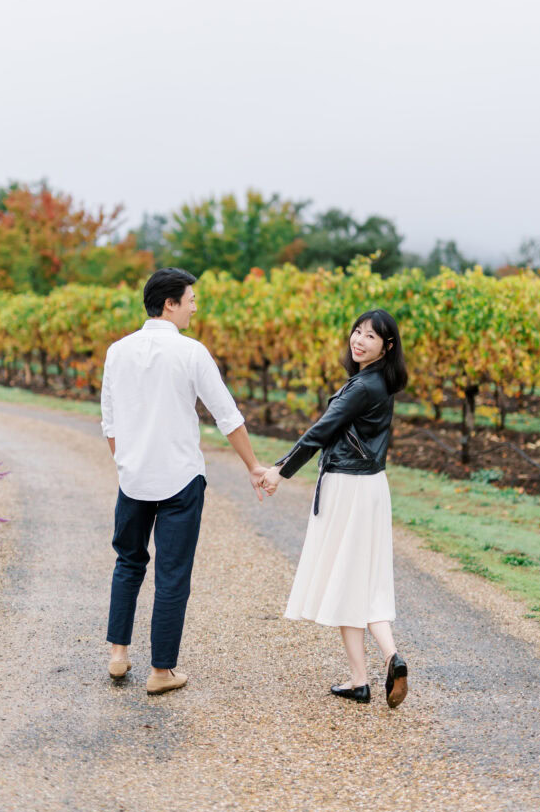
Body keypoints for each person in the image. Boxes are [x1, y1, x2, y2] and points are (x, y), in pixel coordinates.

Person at [101, 267, 266, 694]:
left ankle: (118, 655)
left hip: (132, 477)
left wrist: (128, 465)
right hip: (180, 478)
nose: (195, 307)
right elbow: (226, 415)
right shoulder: (192, 352)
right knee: (173, 573)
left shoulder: (117, 351)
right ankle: (161, 672)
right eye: (190, 299)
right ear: (169, 303)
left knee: (128, 562)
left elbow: (110, 423)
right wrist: (253, 466)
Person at [260, 309, 409, 706]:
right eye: (357, 332)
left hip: (349, 487)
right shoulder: (377, 382)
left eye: (370, 337)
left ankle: (364, 677)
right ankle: (385, 661)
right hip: (373, 487)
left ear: (387, 346)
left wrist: (280, 470)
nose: (359, 340)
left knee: (347, 577)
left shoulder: (363, 387)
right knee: (366, 577)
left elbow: (320, 431)